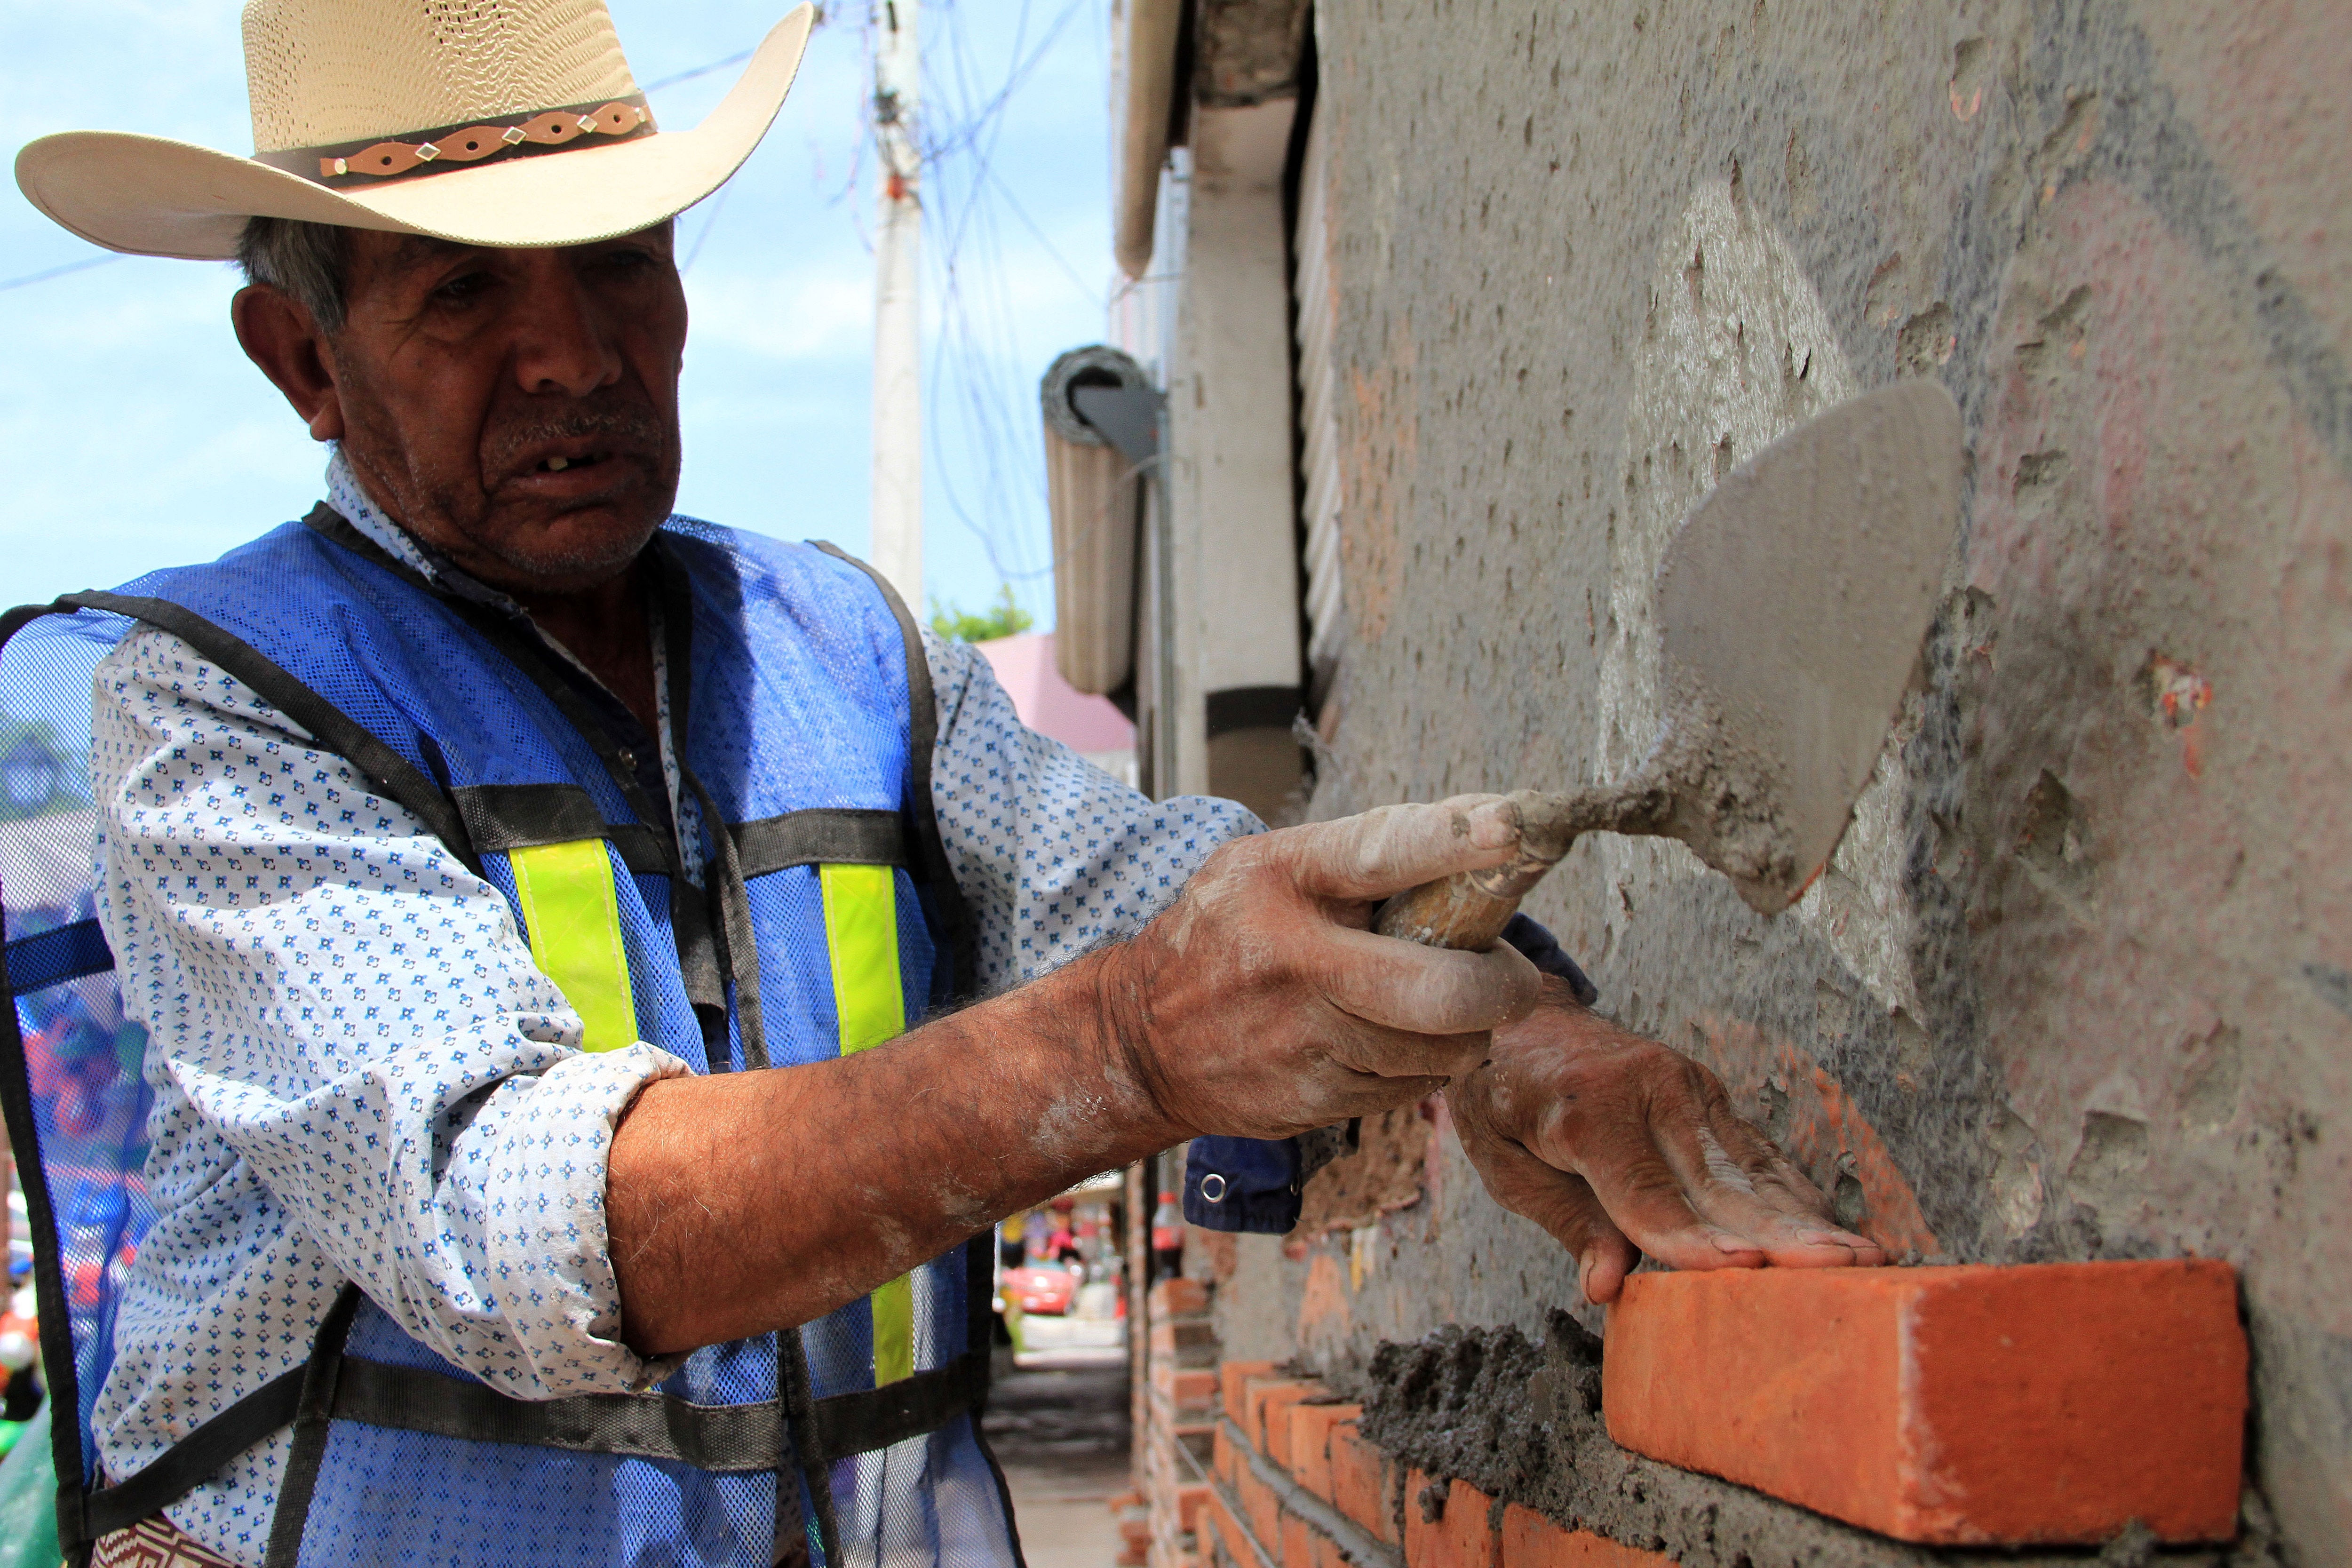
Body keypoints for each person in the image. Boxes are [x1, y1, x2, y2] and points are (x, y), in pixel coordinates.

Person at [8, 2, 1880, 1564]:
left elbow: (1148, 885)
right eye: (458, 299)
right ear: (298, 359)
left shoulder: (832, 644)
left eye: (617, 265)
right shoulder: (218, 703)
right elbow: (516, 1233)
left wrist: (1511, 1024)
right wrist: (1125, 1051)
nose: (573, 357)